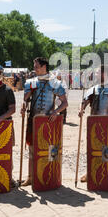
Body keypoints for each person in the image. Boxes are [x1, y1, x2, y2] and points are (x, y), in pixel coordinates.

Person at [20, 57, 68, 186]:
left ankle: (49, 176)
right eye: (34, 66)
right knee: (31, 149)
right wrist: (24, 105)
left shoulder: (54, 83)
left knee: (49, 149)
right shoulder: (31, 82)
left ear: (44, 67)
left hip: (48, 122)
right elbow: (25, 99)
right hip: (33, 120)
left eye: (36, 66)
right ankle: (30, 177)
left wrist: (55, 112)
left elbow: (65, 103)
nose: (34, 69)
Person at [78, 64, 108, 182]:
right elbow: (84, 102)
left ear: (104, 74)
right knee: (93, 148)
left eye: (96, 72)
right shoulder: (93, 89)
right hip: (94, 125)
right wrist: (81, 109)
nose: (94, 74)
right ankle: (90, 171)